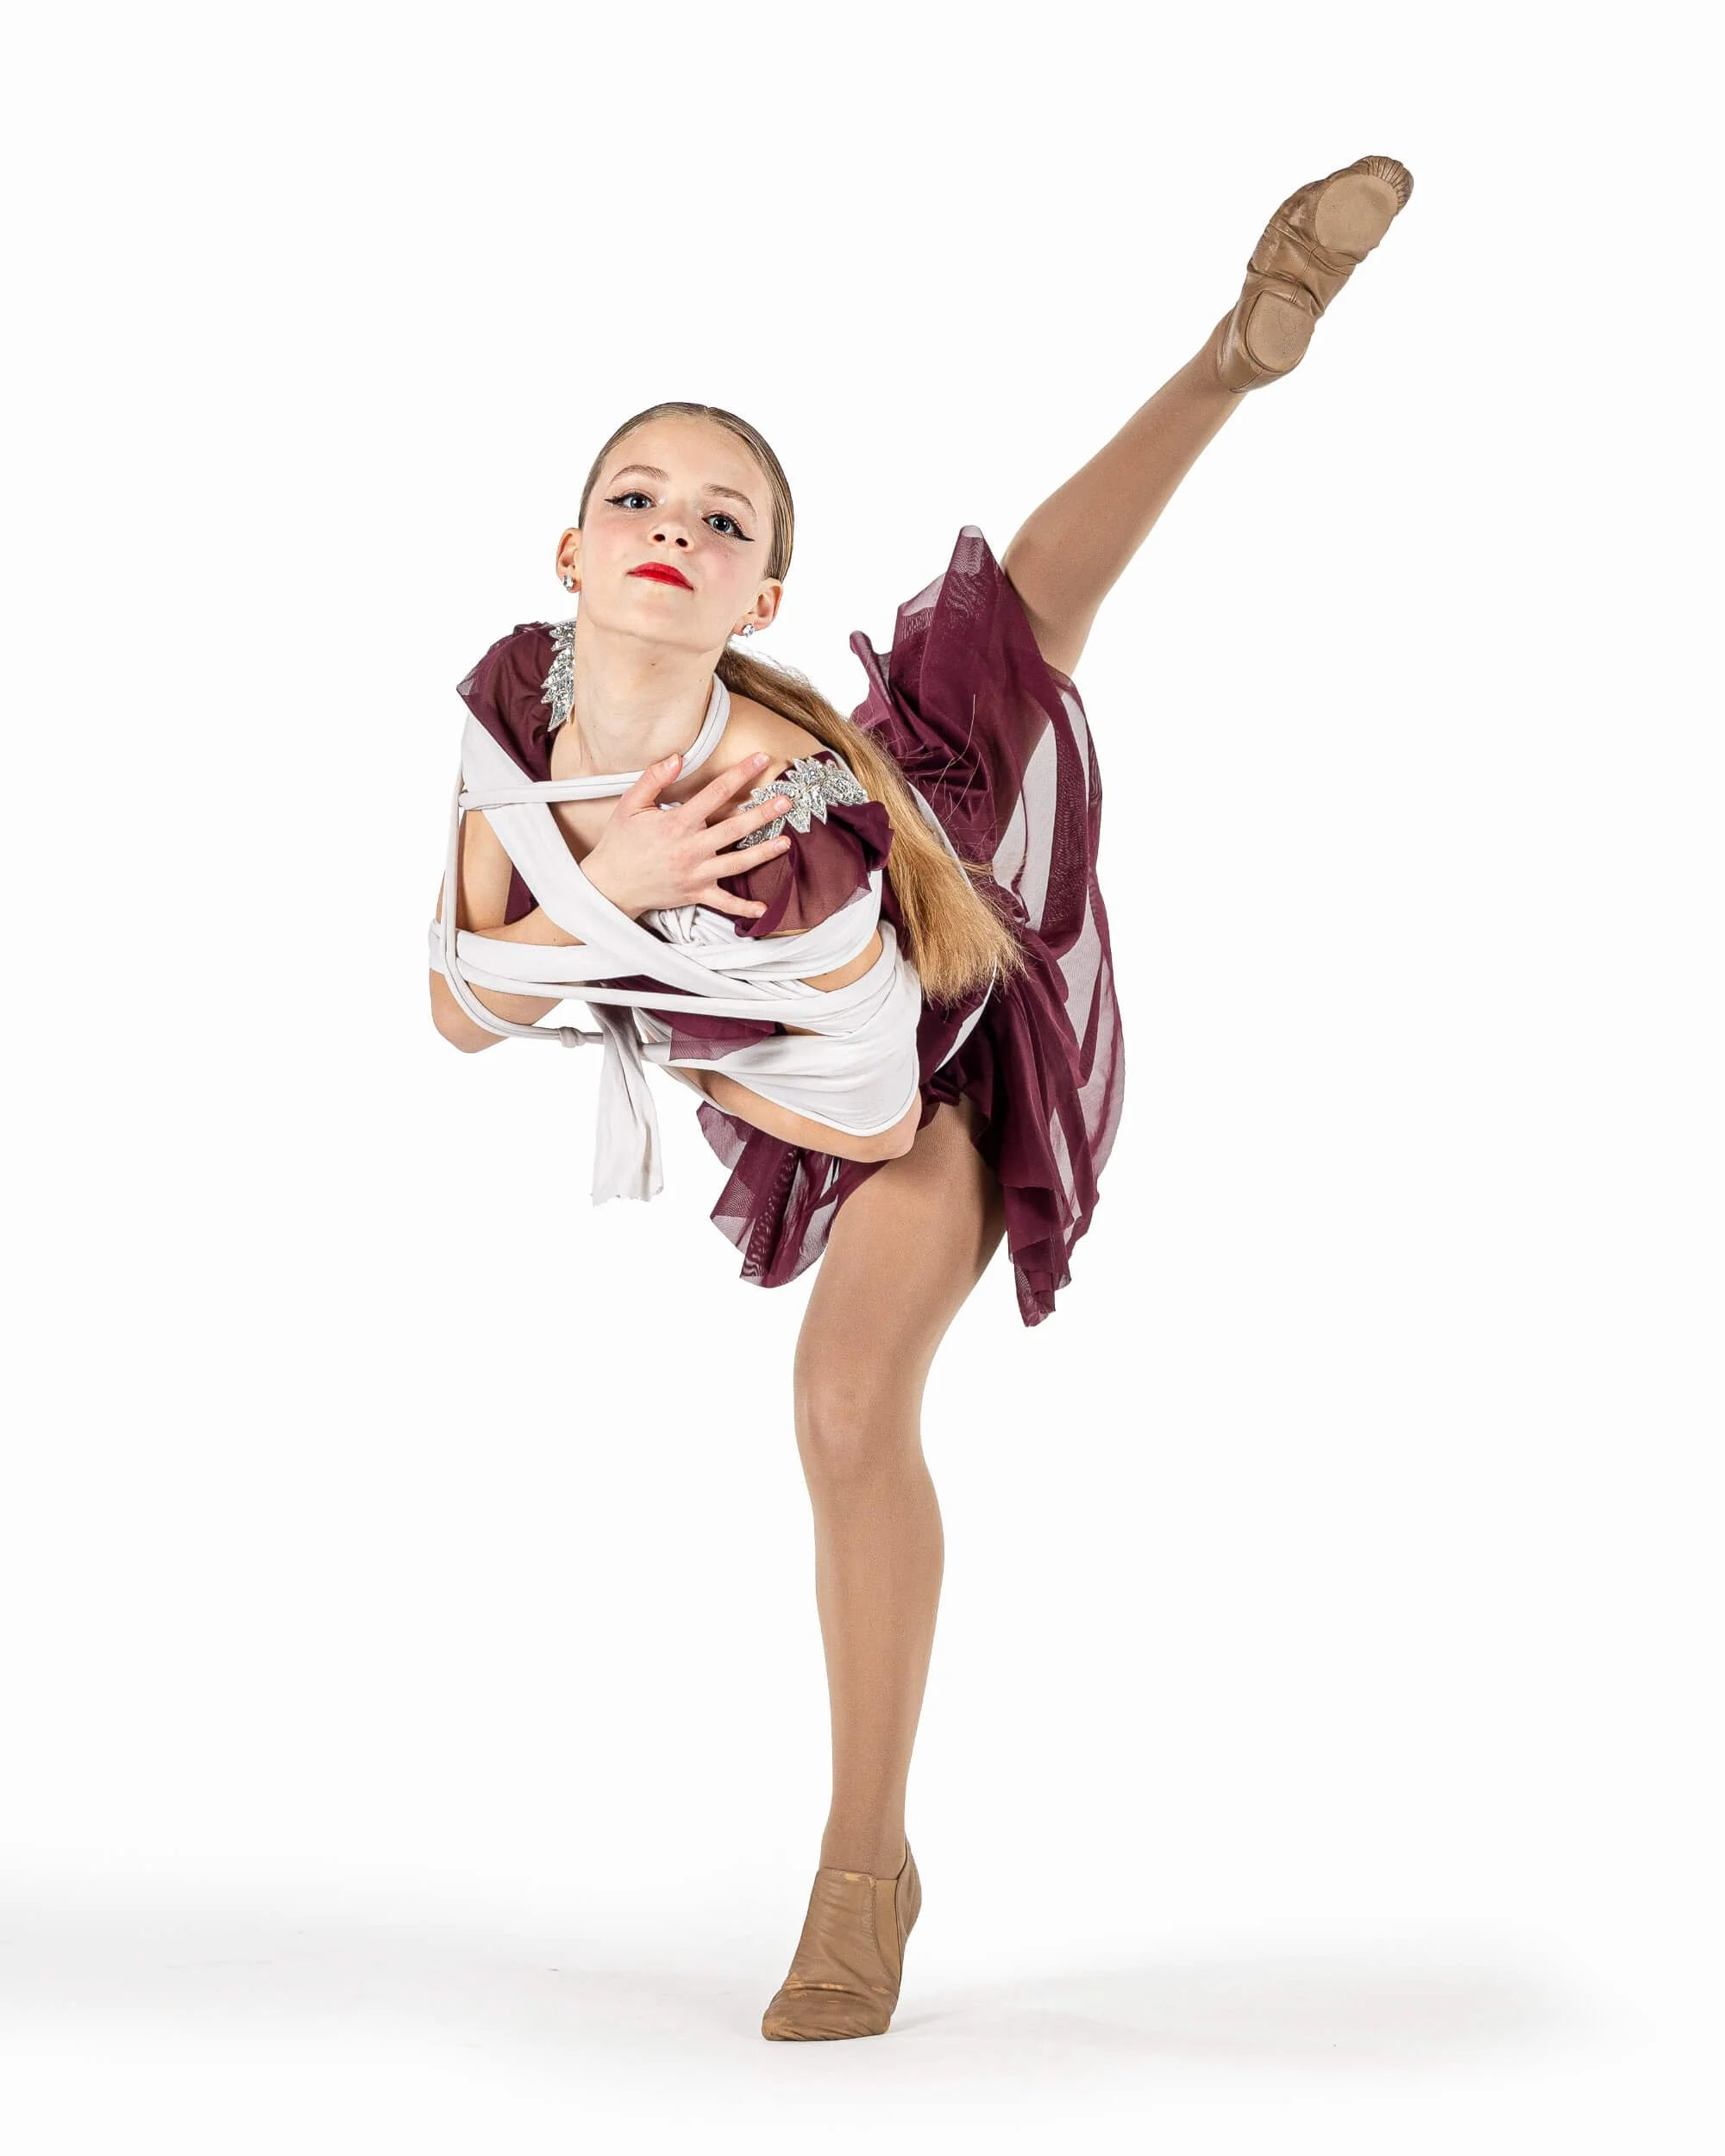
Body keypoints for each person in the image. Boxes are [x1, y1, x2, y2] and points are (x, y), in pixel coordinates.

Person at [428, 154, 1414, 2041]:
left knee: (843, 1395)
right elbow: (455, 1007)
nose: (668, 523)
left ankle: (861, 1859)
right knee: (979, 668)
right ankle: (1231, 347)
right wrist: (605, 893)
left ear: (759, 588)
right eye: (632, 494)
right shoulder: (505, 702)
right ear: (565, 554)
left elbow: (863, 1099)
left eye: (718, 517)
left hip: (927, 1065)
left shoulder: (785, 819)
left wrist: (607, 904)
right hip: (796, 1041)